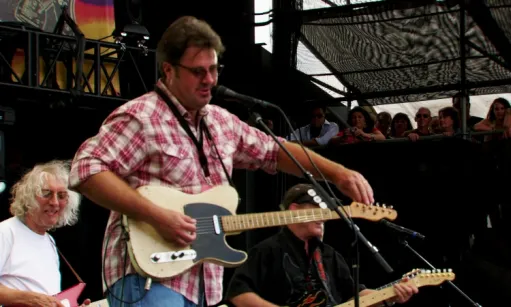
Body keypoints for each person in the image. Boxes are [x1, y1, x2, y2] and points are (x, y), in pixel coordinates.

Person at [69, 16, 374, 307]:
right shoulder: (141, 116)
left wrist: (338, 174)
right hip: (147, 277)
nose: (210, 80)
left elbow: (275, 151)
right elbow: (86, 169)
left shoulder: (220, 122)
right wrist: (156, 216)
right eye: (198, 71)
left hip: (205, 282)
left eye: (214, 69)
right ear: (169, 70)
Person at [226, 184, 418, 307]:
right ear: (294, 210)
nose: (325, 217)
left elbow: (355, 295)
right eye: (318, 209)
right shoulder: (267, 251)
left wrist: (390, 295)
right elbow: (239, 294)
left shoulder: (329, 255)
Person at [0, 160, 90, 307]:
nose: (54, 202)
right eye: (46, 193)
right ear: (28, 197)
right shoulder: (6, 232)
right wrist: (26, 298)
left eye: (61, 195)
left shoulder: (50, 242)